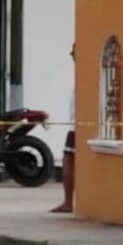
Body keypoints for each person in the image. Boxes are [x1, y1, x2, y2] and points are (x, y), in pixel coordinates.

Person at [52, 46, 76, 213]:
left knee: (68, 161)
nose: (72, 55)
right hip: (76, 124)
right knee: (69, 161)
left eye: (75, 52)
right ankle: (68, 201)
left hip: (77, 126)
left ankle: (68, 202)